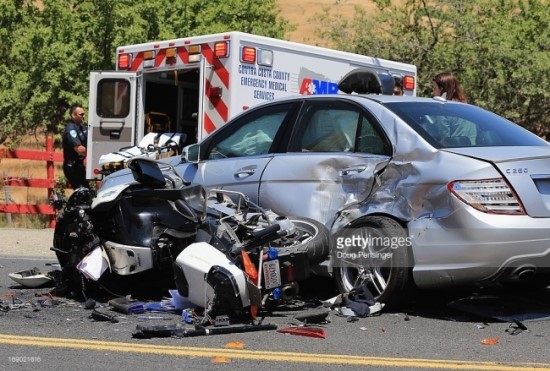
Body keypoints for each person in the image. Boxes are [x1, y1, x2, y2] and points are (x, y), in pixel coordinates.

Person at [430, 72, 475, 145]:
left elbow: (445, 139)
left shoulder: (443, 110)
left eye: (434, 88)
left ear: (441, 89)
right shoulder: (466, 107)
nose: (433, 91)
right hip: (472, 149)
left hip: (454, 150)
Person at [62, 104, 88, 189]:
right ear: (73, 115)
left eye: (84, 114)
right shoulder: (71, 130)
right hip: (73, 167)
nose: (83, 116)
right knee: (81, 191)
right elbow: (79, 149)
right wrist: (93, 153)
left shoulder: (82, 127)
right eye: (81, 114)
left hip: (80, 166)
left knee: (85, 191)